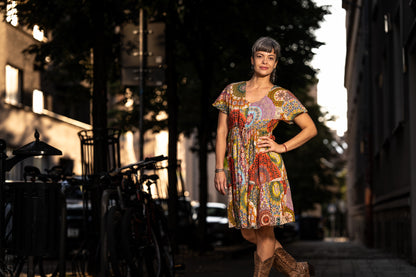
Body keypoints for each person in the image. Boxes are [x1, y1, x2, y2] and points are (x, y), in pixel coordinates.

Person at [212, 36, 317, 277]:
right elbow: (221, 132)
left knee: (266, 232)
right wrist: (219, 168)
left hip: (266, 169)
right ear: (252, 59)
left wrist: (283, 147)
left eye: (271, 58)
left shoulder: (280, 96)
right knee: (248, 232)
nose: (265, 61)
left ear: (275, 64)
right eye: (260, 56)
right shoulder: (231, 91)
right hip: (238, 169)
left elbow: (310, 129)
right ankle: (296, 270)